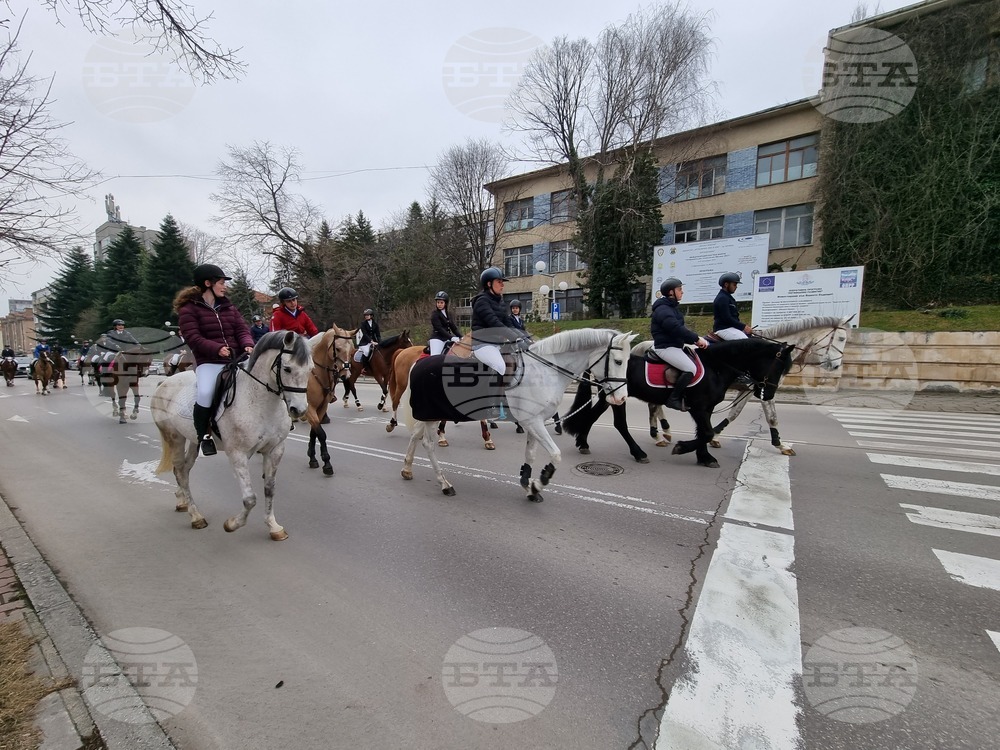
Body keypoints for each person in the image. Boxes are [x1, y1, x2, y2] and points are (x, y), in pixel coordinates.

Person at [176, 263, 255, 456]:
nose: (225, 286)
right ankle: (204, 436)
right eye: (221, 282)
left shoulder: (228, 307)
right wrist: (217, 349)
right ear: (208, 283)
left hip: (237, 358)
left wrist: (247, 343)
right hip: (209, 361)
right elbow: (193, 338)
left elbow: (241, 329)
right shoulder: (188, 310)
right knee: (205, 392)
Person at [651, 278, 708, 411]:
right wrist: (696, 339)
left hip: (674, 344)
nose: (682, 292)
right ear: (671, 292)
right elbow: (675, 328)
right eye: (680, 289)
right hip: (665, 347)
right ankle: (674, 399)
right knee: (690, 368)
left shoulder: (672, 307)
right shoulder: (663, 309)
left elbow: (679, 332)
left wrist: (694, 340)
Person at [713, 272, 753, 340]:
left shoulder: (727, 297)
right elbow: (727, 318)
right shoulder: (722, 298)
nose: (736, 287)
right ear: (726, 284)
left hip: (730, 328)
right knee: (745, 342)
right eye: (734, 284)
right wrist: (744, 327)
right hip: (723, 329)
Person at [429, 291, 462, 356]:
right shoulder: (435, 314)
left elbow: (453, 328)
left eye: (441, 303)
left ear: (445, 303)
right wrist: (451, 338)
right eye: (438, 302)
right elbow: (439, 329)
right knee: (435, 357)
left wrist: (461, 337)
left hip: (446, 339)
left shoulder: (448, 314)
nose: (439, 304)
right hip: (437, 339)